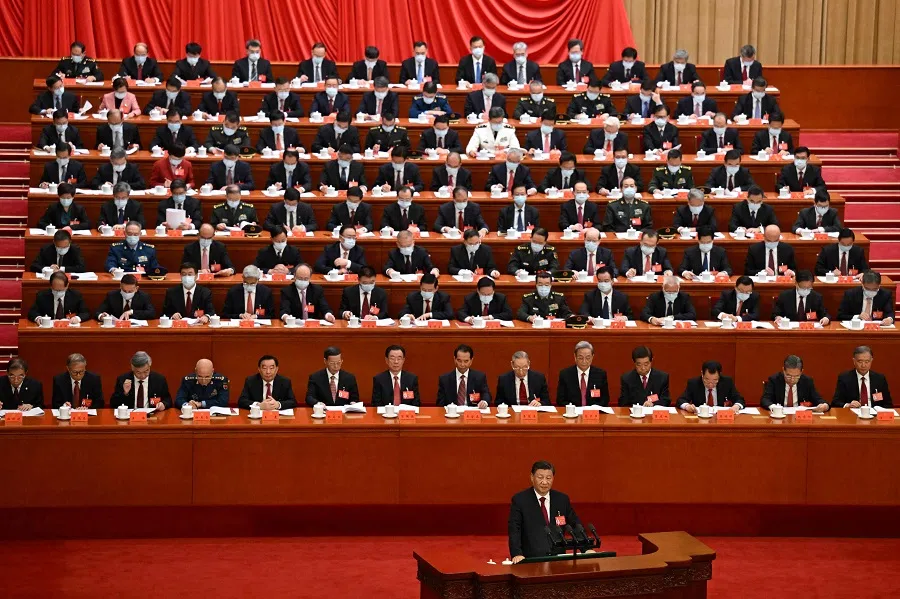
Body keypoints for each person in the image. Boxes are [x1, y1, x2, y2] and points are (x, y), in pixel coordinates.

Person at [508, 460, 581, 562]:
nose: (544, 482)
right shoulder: (520, 500)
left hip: (558, 560)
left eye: (548, 478)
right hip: (531, 559)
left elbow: (575, 525)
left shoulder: (562, 499)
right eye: (540, 477)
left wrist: (586, 549)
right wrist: (517, 554)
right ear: (532, 477)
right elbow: (515, 530)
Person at [761, 355, 828, 412]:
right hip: (779, 417)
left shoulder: (807, 381)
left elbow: (817, 399)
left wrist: (824, 405)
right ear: (783, 370)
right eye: (788, 375)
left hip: (800, 418)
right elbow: (765, 399)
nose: (792, 379)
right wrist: (773, 407)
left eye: (796, 376)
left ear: (801, 372)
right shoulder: (774, 380)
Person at [556, 340, 610, 406]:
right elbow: (560, 400)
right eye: (580, 358)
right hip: (572, 413)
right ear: (575, 357)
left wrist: (594, 408)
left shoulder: (600, 374)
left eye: (588, 358)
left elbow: (605, 399)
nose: (584, 361)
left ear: (592, 357)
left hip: (593, 413)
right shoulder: (565, 374)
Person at [678, 361, 745, 412]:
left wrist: (736, 406)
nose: (710, 384)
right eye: (707, 380)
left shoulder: (727, 382)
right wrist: (687, 406)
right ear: (702, 374)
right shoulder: (694, 383)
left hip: (721, 417)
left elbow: (739, 399)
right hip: (700, 418)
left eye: (715, 380)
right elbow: (681, 400)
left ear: (720, 375)